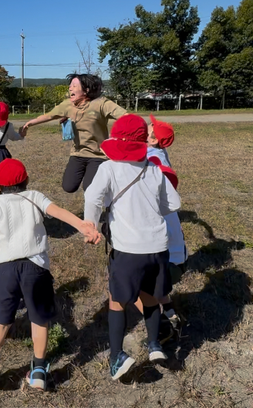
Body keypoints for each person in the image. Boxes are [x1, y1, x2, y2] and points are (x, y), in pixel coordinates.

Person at [0, 159, 100, 391]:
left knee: (1, 319)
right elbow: (58, 212)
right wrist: (82, 226)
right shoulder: (35, 196)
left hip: (6, 269)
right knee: (39, 319)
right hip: (35, 268)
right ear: (27, 180)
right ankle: (38, 370)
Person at [84, 114, 181, 382]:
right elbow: (173, 204)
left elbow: (92, 197)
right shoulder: (153, 168)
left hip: (127, 249)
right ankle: (155, 345)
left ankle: (117, 356)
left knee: (116, 301)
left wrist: (90, 225)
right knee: (150, 296)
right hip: (157, 247)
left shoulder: (109, 168)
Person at [20, 73, 126, 193]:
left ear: (86, 90)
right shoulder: (67, 105)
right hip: (78, 153)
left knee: (91, 189)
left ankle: (108, 193)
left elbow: (126, 117)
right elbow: (49, 116)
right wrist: (29, 123)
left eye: (74, 86)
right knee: (68, 187)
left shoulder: (101, 103)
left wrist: (124, 136)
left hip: (98, 155)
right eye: (70, 86)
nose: (70, 89)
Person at [144, 114, 186, 334]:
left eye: (149, 127)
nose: (146, 125)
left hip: (170, 261)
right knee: (153, 284)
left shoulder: (152, 161)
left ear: (153, 140)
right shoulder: (158, 152)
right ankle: (170, 311)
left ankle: (161, 328)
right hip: (175, 257)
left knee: (135, 284)